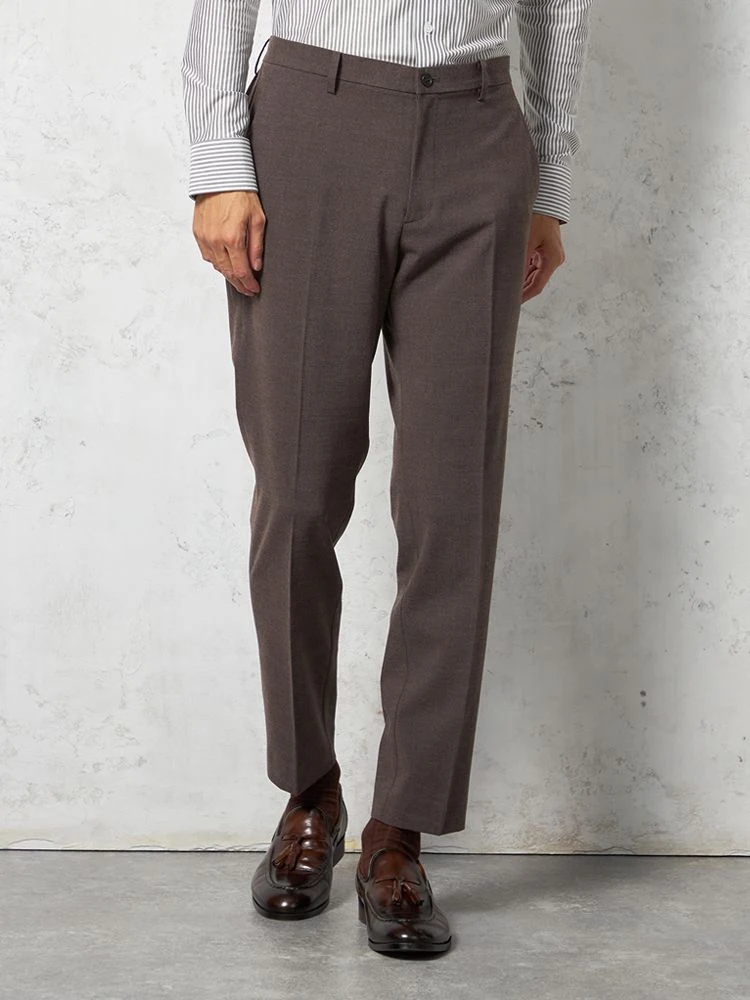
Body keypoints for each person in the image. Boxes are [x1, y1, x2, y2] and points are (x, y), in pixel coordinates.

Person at [181, 0, 594, 956]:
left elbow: (560, 9)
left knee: (452, 506)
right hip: (309, 122)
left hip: (477, 133)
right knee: (297, 494)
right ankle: (308, 793)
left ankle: (399, 833)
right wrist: (217, 163)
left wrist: (550, 182)